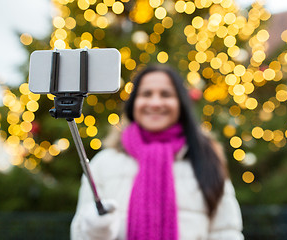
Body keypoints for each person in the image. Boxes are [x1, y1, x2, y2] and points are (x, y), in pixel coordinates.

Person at [71, 65, 244, 240]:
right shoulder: (104, 164)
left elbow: (226, 232)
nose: (155, 103)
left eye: (166, 94)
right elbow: (78, 233)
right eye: (146, 94)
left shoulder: (206, 160)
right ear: (133, 104)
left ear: (181, 104)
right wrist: (94, 231)